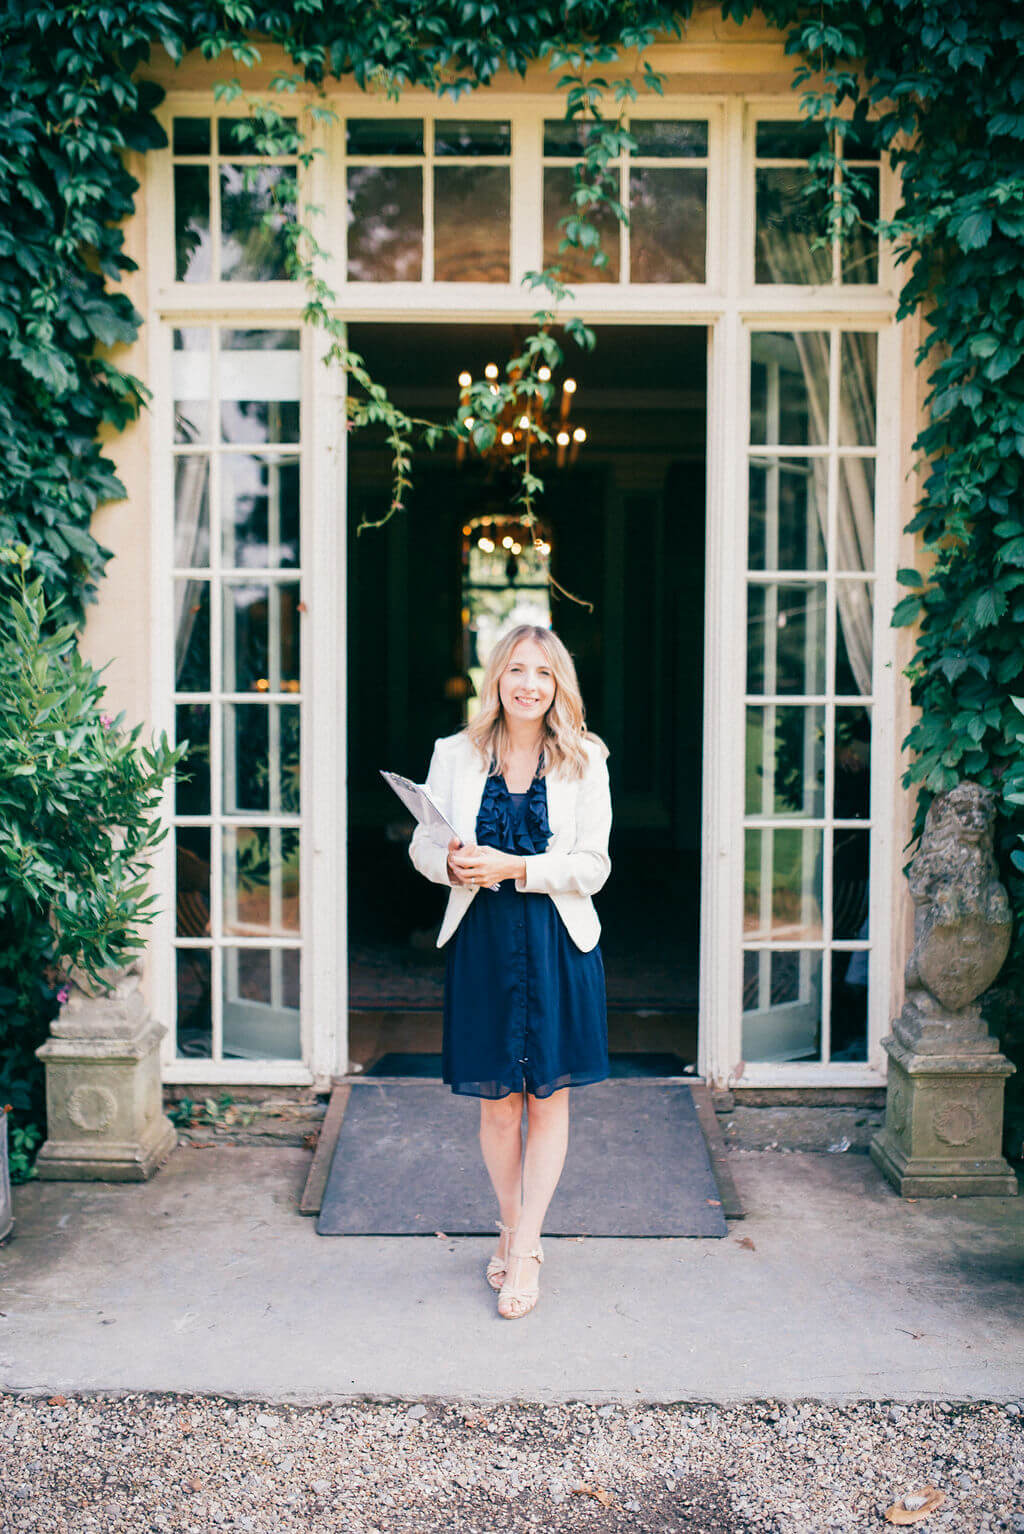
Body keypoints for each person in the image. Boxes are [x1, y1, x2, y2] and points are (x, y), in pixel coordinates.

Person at [409, 623, 612, 1319]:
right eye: (517, 669)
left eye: (544, 673)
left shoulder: (586, 757)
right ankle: (508, 1221)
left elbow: (594, 865)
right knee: (499, 1102)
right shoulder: (455, 754)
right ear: (496, 677)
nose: (529, 683)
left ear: (559, 685)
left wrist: (516, 866)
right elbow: (422, 841)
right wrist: (449, 863)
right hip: (485, 940)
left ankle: (526, 1248)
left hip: (558, 940)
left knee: (547, 1098)